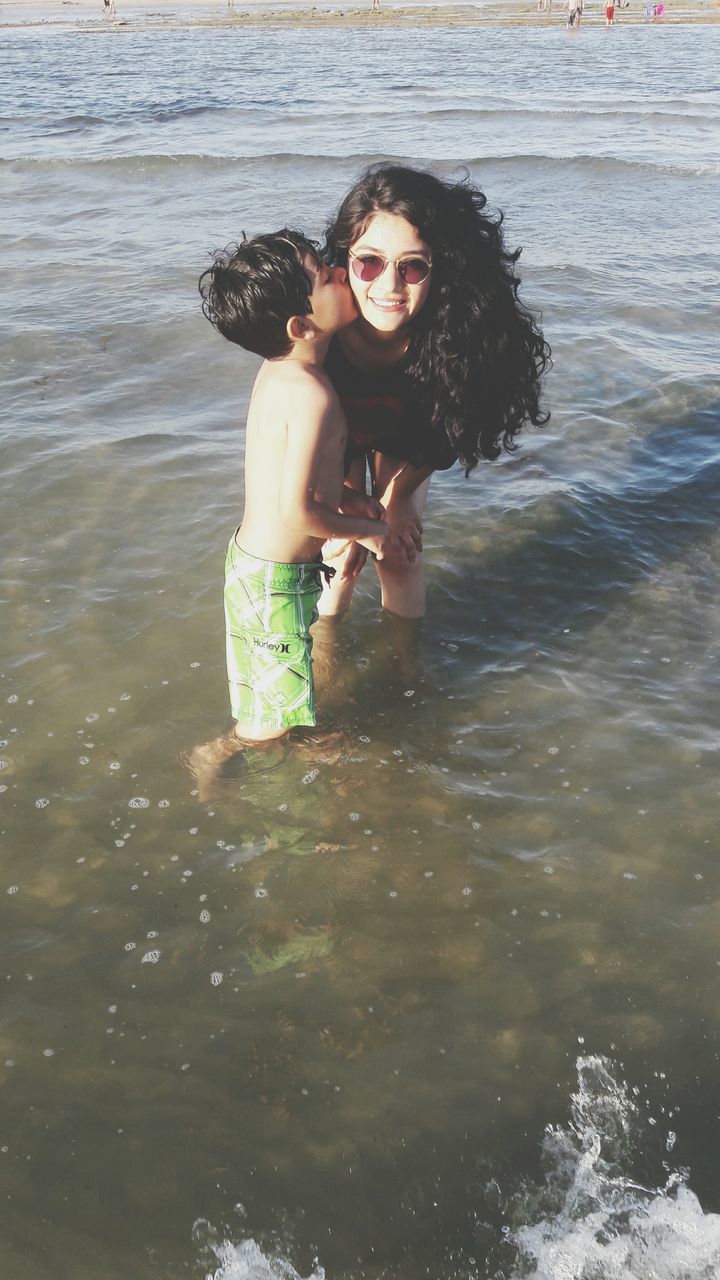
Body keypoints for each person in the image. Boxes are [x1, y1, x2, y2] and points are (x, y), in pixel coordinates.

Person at [191, 230, 389, 788]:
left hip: (268, 571)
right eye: (325, 276)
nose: (339, 273)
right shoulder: (310, 393)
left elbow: (312, 485)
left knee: (281, 682)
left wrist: (356, 500)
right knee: (267, 717)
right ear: (300, 326)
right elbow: (299, 512)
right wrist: (367, 530)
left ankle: (305, 744)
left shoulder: (286, 374)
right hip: (271, 579)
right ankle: (239, 770)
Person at [317, 164, 550, 624]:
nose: (389, 285)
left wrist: (399, 498)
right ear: (344, 260)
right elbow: (299, 425)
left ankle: (407, 669)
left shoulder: (459, 336)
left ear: (440, 268)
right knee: (339, 557)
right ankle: (325, 663)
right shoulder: (318, 332)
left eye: (413, 266)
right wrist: (346, 502)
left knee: (398, 552)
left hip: (413, 436)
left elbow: (457, 430)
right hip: (331, 435)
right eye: (370, 261)